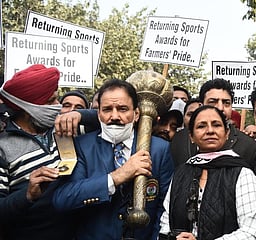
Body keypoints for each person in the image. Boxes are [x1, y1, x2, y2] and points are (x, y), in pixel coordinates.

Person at [52, 79, 174, 240]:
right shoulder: (81, 146)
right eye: (107, 109)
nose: (114, 116)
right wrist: (116, 177)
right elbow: (62, 199)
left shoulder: (159, 149)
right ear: (98, 114)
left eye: (123, 109)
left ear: (136, 114)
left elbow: (164, 207)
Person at [159, 105, 256, 239]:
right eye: (201, 126)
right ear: (191, 136)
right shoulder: (181, 173)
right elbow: (166, 222)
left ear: (227, 133)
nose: (210, 131)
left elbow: (252, 231)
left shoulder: (242, 174)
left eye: (216, 125)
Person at [0, 64, 75, 239]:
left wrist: (80, 115)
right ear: (28, 108)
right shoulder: (3, 148)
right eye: (50, 101)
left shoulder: (63, 128)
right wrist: (27, 195)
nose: (58, 106)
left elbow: (109, 119)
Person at [170, 78, 256, 167]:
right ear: (201, 105)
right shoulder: (179, 140)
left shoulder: (248, 146)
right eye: (213, 102)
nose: (220, 108)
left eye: (226, 103)